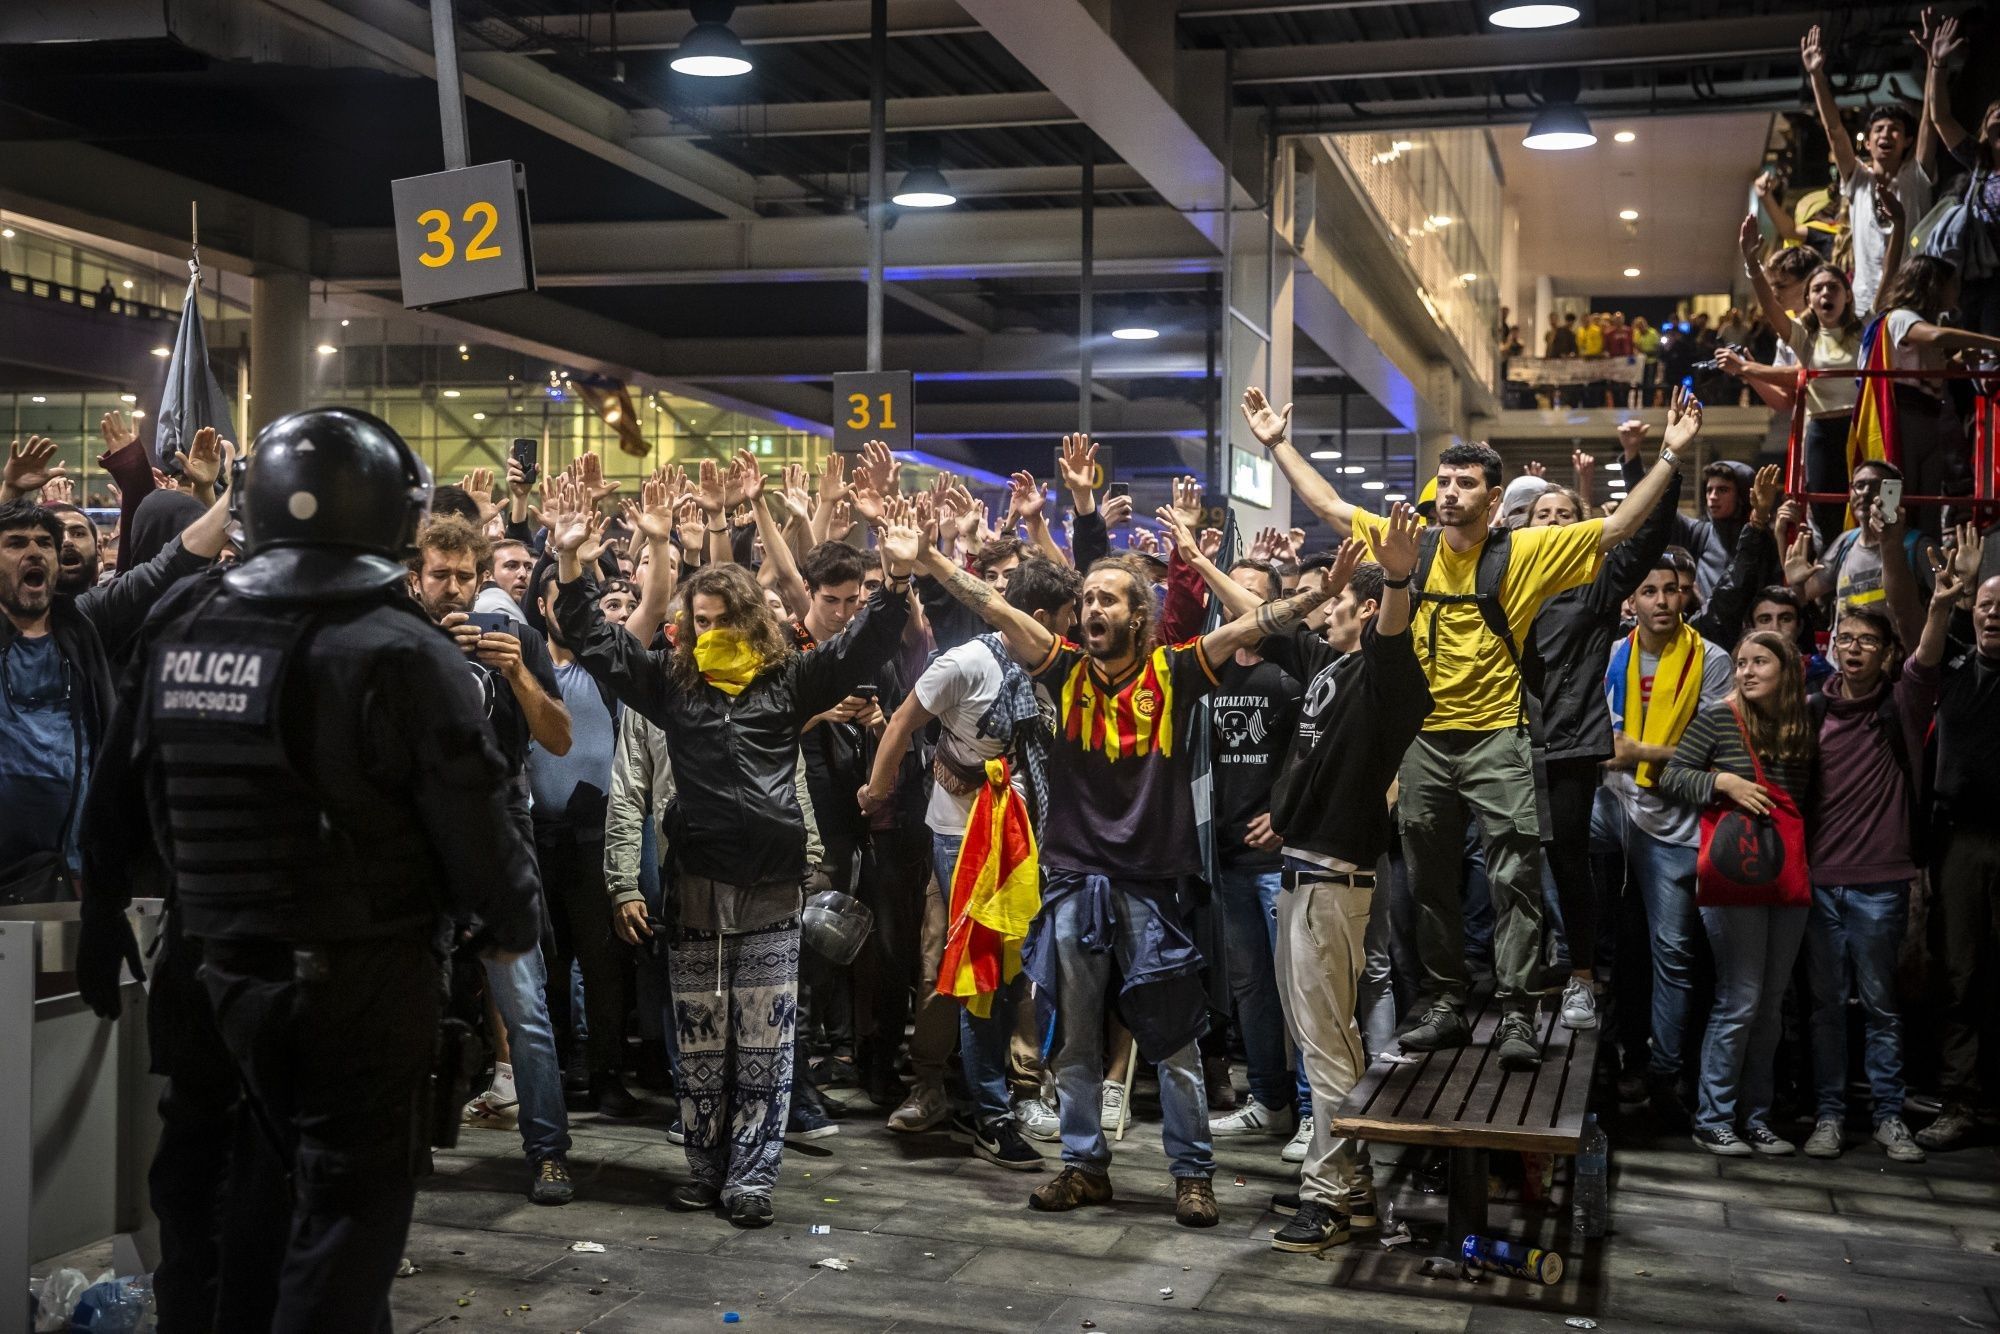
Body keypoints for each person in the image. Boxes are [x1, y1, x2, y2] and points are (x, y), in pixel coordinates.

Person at [76, 408, 543, 1333]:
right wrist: (509, 923)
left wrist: (98, 917)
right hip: (356, 990)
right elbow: (484, 844)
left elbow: (115, 795)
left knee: (213, 1223)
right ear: (389, 517)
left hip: (206, 973)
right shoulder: (406, 650)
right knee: (340, 1231)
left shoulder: (183, 624)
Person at [914, 510, 1349, 1229]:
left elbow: (1249, 628)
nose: (1091, 610)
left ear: (1138, 616)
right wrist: (929, 555)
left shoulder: (1175, 671)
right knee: (1075, 1039)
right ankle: (1085, 1169)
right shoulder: (1062, 670)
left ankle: (1192, 1175)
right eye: (1086, 600)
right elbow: (990, 605)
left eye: (1107, 600)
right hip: (1073, 881)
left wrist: (1311, 597)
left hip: (1150, 886)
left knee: (1172, 1039)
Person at [1245, 384, 1695, 1071]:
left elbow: (1616, 529)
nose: (1450, 493)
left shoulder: (1528, 551)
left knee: (1515, 876)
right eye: (1445, 482)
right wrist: (1277, 444)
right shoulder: (1412, 544)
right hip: (1424, 740)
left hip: (1498, 737)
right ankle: (1447, 1003)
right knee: (1430, 877)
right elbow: (1328, 505)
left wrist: (1667, 456)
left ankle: (1518, 1012)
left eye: (1466, 484)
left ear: (1494, 498)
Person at [550, 491, 915, 1227]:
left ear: (752, 623)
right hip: (695, 887)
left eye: (723, 621)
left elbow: (863, 646)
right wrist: (567, 561)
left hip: (773, 889)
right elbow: (595, 637)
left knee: (766, 1046)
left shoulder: (788, 683)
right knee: (701, 1046)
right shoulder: (671, 686)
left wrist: (899, 581)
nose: (709, 633)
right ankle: (704, 1168)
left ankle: (750, 1178)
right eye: (700, 622)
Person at [860, 554, 1081, 1168]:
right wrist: (877, 791)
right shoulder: (964, 663)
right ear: (1037, 618)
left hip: (1035, 841)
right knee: (975, 973)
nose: (1074, 633)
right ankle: (986, 1111)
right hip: (964, 841)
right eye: (1066, 620)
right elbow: (903, 723)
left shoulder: (1055, 667)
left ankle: (1014, 1091)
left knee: (1022, 976)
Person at [1250, 511, 1432, 1252]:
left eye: (1335, 602)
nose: (1322, 608)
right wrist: (1199, 555)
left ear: (1362, 609)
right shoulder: (1327, 667)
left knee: (1327, 1046)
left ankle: (1325, 1197)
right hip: (1305, 873)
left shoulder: (1385, 677)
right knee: (1322, 1041)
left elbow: (1392, 637)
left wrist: (1394, 578)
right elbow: (1249, 620)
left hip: (1335, 879)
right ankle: (1350, 1187)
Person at [408, 514, 577, 1205]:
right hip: (417, 826)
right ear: (415, 578)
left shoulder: (516, 638)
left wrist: (517, 677)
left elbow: (559, 739)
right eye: (439, 576)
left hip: (499, 815)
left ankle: (548, 1153)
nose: (452, 589)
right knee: (414, 1000)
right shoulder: (399, 638)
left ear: (482, 580)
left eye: (463, 577)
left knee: (526, 1004)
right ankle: (410, 1154)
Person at [1, 433, 230, 898]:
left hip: (77, 867)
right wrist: (8, 494)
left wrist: (241, 490)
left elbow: (171, 562)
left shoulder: (83, 621)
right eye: (15, 543)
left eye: (45, 542)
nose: (36, 552)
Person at [1802, 566, 1959, 1164]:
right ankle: (1830, 1116)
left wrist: (1941, 605)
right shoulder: (1814, 712)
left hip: (1880, 885)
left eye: (1867, 640)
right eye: (1845, 639)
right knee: (1824, 1010)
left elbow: (1926, 658)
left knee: (1881, 1006)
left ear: (1887, 653)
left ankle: (1890, 1117)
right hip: (1819, 884)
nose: (1853, 648)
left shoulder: (1902, 702)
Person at [1526, 433, 1681, 1033]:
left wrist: (1657, 463)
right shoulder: (1508, 580)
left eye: (1567, 514)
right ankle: (1518, 981)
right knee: (1508, 870)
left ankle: (1582, 978)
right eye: (1545, 515)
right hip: (1506, 743)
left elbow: (1647, 535)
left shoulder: (1596, 582)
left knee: (1569, 863)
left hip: (1567, 745)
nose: (1557, 523)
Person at [1659, 632, 1815, 1157]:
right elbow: (1671, 776)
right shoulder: (1718, 717)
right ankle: (1714, 1118)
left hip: (1784, 870)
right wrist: (1722, 781)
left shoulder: (1800, 724)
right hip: (1733, 871)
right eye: (1742, 662)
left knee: (1770, 1003)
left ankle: (1757, 1117)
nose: (1746, 671)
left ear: (1787, 669)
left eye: (1760, 662)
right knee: (1740, 997)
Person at [1601, 551, 1737, 1116]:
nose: (1662, 600)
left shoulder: (1711, 660)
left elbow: (1715, 750)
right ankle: (1604, 1062)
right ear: (1630, 601)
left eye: (1672, 590)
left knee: (1674, 955)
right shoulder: (1612, 654)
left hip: (1674, 822)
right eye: (1649, 591)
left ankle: (1664, 1075)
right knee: (1591, 942)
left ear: (1687, 596)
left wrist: (1637, 753)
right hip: (1609, 809)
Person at [527, 564, 639, 1118]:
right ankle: (556, 1070)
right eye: (558, 599)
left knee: (602, 963)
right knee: (547, 963)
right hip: (537, 837)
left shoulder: (605, 668)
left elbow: (657, 601)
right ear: (542, 607)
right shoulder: (526, 669)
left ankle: (606, 1075)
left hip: (595, 835)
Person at [1920, 560, 2000, 1151]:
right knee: (1959, 972)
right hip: (1961, 842)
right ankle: (1961, 1100)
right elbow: (1903, 610)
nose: (1994, 612)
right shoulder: (1951, 666)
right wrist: (1892, 542)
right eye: (1987, 603)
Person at [1803, 24, 1935, 315]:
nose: (1886, 135)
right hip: (1865, 305)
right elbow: (1835, 130)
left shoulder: (1916, 176)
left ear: (1907, 140)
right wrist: (1816, 76)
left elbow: (1929, 120)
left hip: (1914, 298)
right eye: (1879, 130)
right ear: (1869, 140)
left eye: (1895, 130)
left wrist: (1934, 63)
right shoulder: (1858, 179)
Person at [1922, 14, 2000, 337]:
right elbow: (1940, 117)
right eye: (1995, 112)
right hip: (1970, 271)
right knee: (1968, 346)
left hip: (1998, 278)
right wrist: (1937, 65)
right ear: (1985, 127)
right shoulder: (1979, 163)